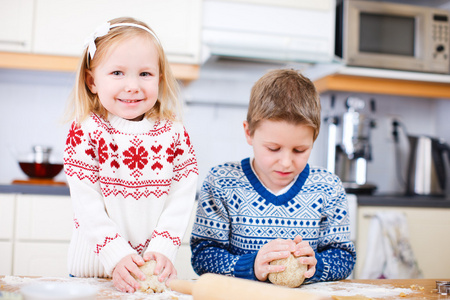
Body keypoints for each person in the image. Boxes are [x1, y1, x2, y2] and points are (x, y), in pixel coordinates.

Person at [63, 17, 198, 293]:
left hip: (152, 274)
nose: (133, 85)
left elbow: (180, 199)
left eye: (145, 74)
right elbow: (87, 205)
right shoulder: (86, 131)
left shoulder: (174, 133)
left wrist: (163, 249)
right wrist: (116, 256)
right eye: (117, 73)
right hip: (93, 275)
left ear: (160, 78)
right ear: (92, 82)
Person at [190, 69, 356, 284]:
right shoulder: (221, 182)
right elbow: (203, 256)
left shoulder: (327, 187)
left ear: (314, 138)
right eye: (273, 148)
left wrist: (317, 265)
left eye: (299, 150)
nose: (286, 162)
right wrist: (251, 265)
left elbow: (344, 257)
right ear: (248, 132)